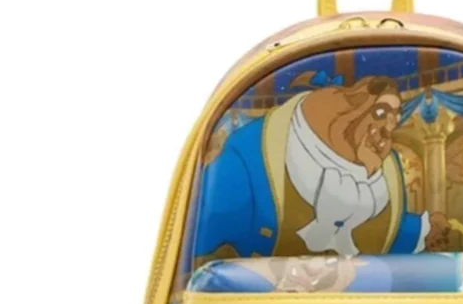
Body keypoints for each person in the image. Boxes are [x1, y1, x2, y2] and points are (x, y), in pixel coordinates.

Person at [192, 76, 447, 259]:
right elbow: (206, 235)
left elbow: (382, 230)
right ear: (351, 108)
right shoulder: (252, 156)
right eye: (380, 113)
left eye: (396, 117)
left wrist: (422, 230)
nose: (388, 128)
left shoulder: (385, 171)